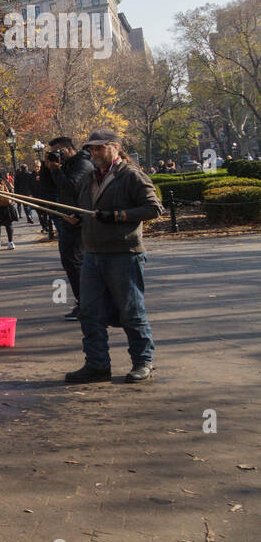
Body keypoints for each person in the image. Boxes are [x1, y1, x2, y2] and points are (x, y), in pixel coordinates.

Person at [62, 129, 163, 384]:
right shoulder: (89, 178)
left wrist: (118, 216)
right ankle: (97, 365)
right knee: (90, 313)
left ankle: (143, 362)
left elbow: (154, 208)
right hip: (93, 255)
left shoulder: (131, 175)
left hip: (124, 254)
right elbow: (88, 211)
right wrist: (78, 219)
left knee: (131, 312)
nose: (94, 153)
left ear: (115, 148)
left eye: (100, 148)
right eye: (92, 149)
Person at [45, 136, 93, 320]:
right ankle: (85, 302)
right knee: (70, 262)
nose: (56, 155)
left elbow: (71, 187)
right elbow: (47, 188)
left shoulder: (83, 164)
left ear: (68, 149)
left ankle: (87, 304)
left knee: (76, 262)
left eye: (59, 151)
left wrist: (57, 170)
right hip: (66, 220)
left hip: (79, 221)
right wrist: (48, 167)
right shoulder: (65, 165)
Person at [35, 158, 56, 240]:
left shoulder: (45, 174)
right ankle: (45, 227)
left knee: (49, 214)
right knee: (41, 214)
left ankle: (50, 230)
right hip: (38, 197)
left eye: (38, 167)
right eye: (35, 167)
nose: (36, 169)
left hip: (47, 197)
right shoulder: (32, 175)